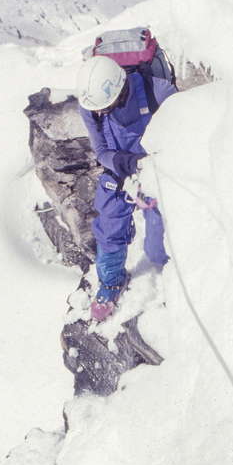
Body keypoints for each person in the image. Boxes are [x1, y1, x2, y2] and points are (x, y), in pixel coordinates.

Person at [76, 55, 177, 321]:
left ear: (121, 89)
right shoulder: (90, 105)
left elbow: (182, 131)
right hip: (119, 168)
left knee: (158, 240)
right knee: (109, 223)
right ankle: (110, 282)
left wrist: (150, 168)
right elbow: (100, 150)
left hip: (154, 169)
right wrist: (121, 162)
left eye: (108, 106)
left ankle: (171, 276)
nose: (103, 113)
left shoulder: (158, 92)